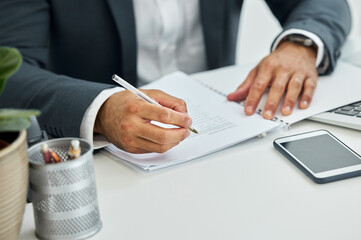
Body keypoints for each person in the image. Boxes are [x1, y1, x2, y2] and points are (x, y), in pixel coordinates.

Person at [0, 0, 351, 154]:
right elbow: (10, 70)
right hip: (103, 161)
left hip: (228, 142)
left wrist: (299, 45)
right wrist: (102, 109)